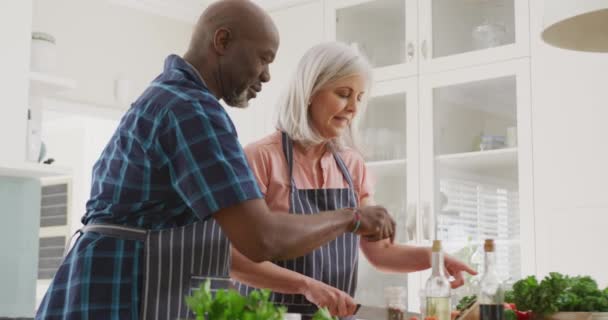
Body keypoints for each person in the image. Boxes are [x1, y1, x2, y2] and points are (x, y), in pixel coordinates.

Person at [35, 2, 395, 319]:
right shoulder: (191, 109)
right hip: (119, 295)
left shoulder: (171, 96)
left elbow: (227, 246)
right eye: (263, 58)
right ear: (222, 42)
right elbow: (260, 238)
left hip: (114, 288)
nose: (267, 76)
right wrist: (353, 217)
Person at [230, 42, 477, 319]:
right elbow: (235, 259)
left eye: (359, 97)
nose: (353, 108)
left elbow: (380, 252)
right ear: (309, 92)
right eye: (343, 94)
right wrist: (306, 286)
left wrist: (436, 260)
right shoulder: (261, 158)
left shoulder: (351, 165)